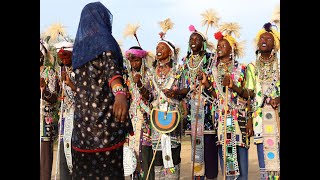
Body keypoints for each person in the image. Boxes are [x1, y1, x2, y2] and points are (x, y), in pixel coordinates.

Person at [71, 2, 132, 179]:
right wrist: (120, 94)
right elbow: (113, 72)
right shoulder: (105, 41)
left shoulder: (79, 50)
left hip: (82, 132)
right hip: (105, 130)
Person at [141, 18, 184, 179]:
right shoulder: (151, 74)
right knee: (157, 157)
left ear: (170, 53)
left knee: (172, 156)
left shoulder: (178, 71)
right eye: (157, 47)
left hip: (172, 119)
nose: (158, 50)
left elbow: (187, 90)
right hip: (156, 121)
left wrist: (176, 93)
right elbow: (148, 95)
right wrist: (139, 85)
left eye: (162, 47)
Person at [211, 22, 254, 180]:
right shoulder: (213, 72)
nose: (219, 47)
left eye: (223, 45)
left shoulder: (243, 68)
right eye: (218, 45)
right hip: (222, 120)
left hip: (239, 121)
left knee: (241, 162)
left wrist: (233, 86)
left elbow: (250, 94)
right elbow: (214, 96)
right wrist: (206, 84)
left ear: (232, 49)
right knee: (227, 164)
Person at [181, 25, 218, 180]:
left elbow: (217, 84)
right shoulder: (185, 61)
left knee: (209, 150)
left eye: (197, 39)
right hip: (192, 112)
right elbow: (182, 84)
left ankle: (210, 177)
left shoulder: (211, 59)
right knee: (197, 151)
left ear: (203, 42)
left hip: (208, 110)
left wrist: (206, 79)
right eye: (191, 39)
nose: (193, 41)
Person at [245, 21, 280, 180]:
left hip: (277, 119)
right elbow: (249, 94)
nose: (264, 41)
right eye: (261, 39)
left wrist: (278, 98)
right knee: (264, 165)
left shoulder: (279, 66)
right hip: (259, 119)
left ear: (275, 45)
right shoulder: (252, 67)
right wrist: (249, 121)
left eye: (268, 39)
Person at [123, 45, 154, 180]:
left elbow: (150, 97)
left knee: (145, 155)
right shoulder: (127, 77)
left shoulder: (149, 74)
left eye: (136, 60)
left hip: (146, 120)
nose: (134, 63)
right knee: (132, 156)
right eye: (131, 60)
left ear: (142, 60)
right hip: (131, 119)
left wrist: (140, 84)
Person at [54, 41, 75, 180]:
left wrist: (70, 84)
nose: (64, 60)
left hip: (77, 121)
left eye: (67, 56)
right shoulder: (60, 71)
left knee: (74, 157)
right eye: (62, 58)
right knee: (62, 157)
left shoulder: (79, 71)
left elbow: (84, 96)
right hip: (64, 119)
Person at [40, 38, 59, 180]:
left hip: (45, 122)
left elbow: (54, 97)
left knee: (45, 160)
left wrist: (43, 88)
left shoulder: (50, 73)